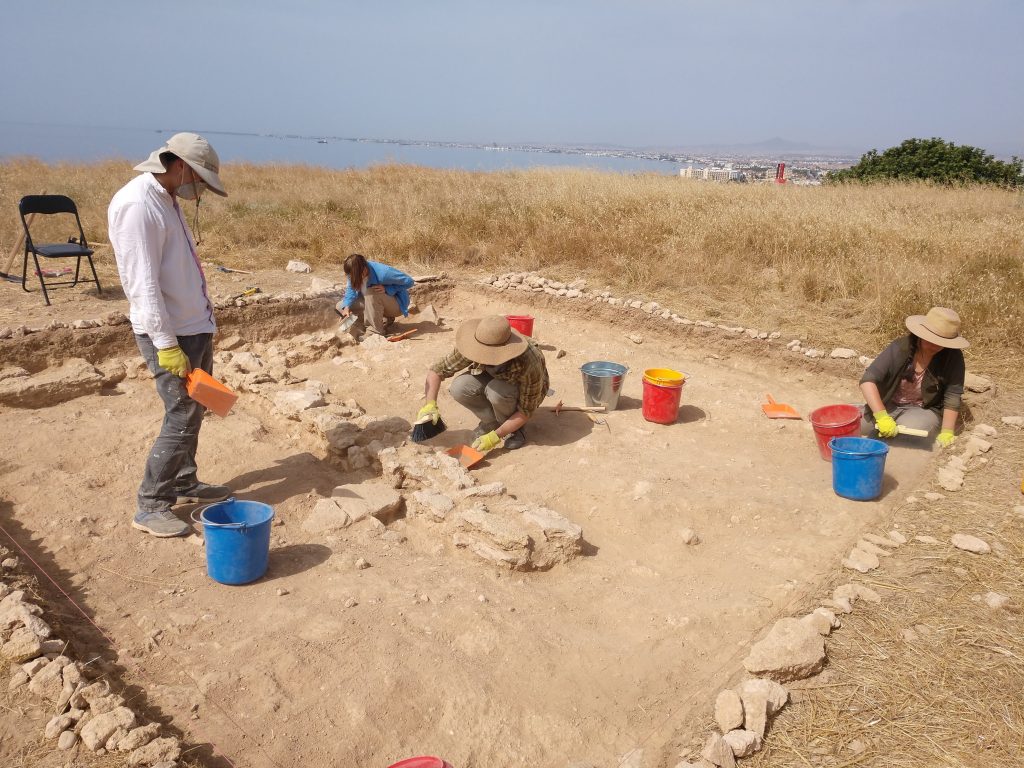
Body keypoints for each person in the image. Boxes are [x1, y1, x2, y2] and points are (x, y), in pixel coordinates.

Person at [108, 132, 231, 538]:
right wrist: (165, 345)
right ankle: (151, 504)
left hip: (193, 326)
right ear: (179, 167)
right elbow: (141, 285)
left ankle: (184, 481)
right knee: (180, 415)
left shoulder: (165, 197)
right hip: (171, 333)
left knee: (196, 407)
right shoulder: (137, 205)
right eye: (198, 180)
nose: (200, 192)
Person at [419, 315, 549, 452]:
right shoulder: (476, 343)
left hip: (522, 390)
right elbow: (438, 370)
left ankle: (515, 430)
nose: (482, 355)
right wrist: (430, 405)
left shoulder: (529, 359)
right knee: (459, 387)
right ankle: (491, 422)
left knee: (496, 391)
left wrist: (494, 437)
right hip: (495, 377)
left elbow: (526, 410)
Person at [860, 306, 969, 449]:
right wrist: (882, 416)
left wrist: (947, 431)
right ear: (921, 334)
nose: (935, 345)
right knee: (859, 426)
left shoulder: (953, 357)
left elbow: (952, 395)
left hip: (923, 410)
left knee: (909, 432)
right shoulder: (901, 347)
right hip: (889, 404)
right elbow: (868, 381)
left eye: (941, 342)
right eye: (931, 339)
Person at [336, 253, 414, 337]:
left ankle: (375, 331)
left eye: (353, 276)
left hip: (396, 305)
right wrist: (347, 307)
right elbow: (351, 290)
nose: (351, 278)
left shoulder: (384, 273)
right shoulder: (353, 273)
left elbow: (409, 281)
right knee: (341, 306)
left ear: (364, 270)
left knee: (372, 292)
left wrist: (387, 289)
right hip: (374, 303)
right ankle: (375, 323)